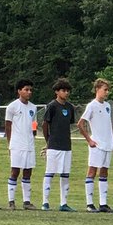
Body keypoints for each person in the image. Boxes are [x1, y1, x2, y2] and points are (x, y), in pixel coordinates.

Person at [39, 79, 76, 211]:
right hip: (54, 145)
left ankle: (63, 203)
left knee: (65, 174)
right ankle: (45, 202)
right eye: (63, 90)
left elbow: (69, 124)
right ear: (57, 91)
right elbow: (45, 124)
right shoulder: (52, 106)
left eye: (67, 91)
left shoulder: (70, 107)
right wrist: (48, 140)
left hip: (66, 145)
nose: (66, 93)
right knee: (50, 173)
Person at [79, 78, 113, 213]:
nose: (107, 93)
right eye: (105, 90)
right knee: (92, 171)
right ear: (97, 89)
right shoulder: (92, 105)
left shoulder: (107, 106)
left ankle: (103, 203)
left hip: (107, 144)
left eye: (107, 90)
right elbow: (80, 123)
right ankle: (89, 203)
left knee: (104, 172)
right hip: (97, 144)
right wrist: (89, 140)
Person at [3, 79, 37, 210]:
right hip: (17, 144)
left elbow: (33, 124)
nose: (29, 92)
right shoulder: (12, 107)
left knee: (28, 172)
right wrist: (10, 143)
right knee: (15, 171)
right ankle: (11, 201)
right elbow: (8, 126)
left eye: (30, 90)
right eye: (26, 89)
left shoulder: (33, 107)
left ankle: (26, 202)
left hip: (29, 144)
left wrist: (33, 134)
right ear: (19, 91)